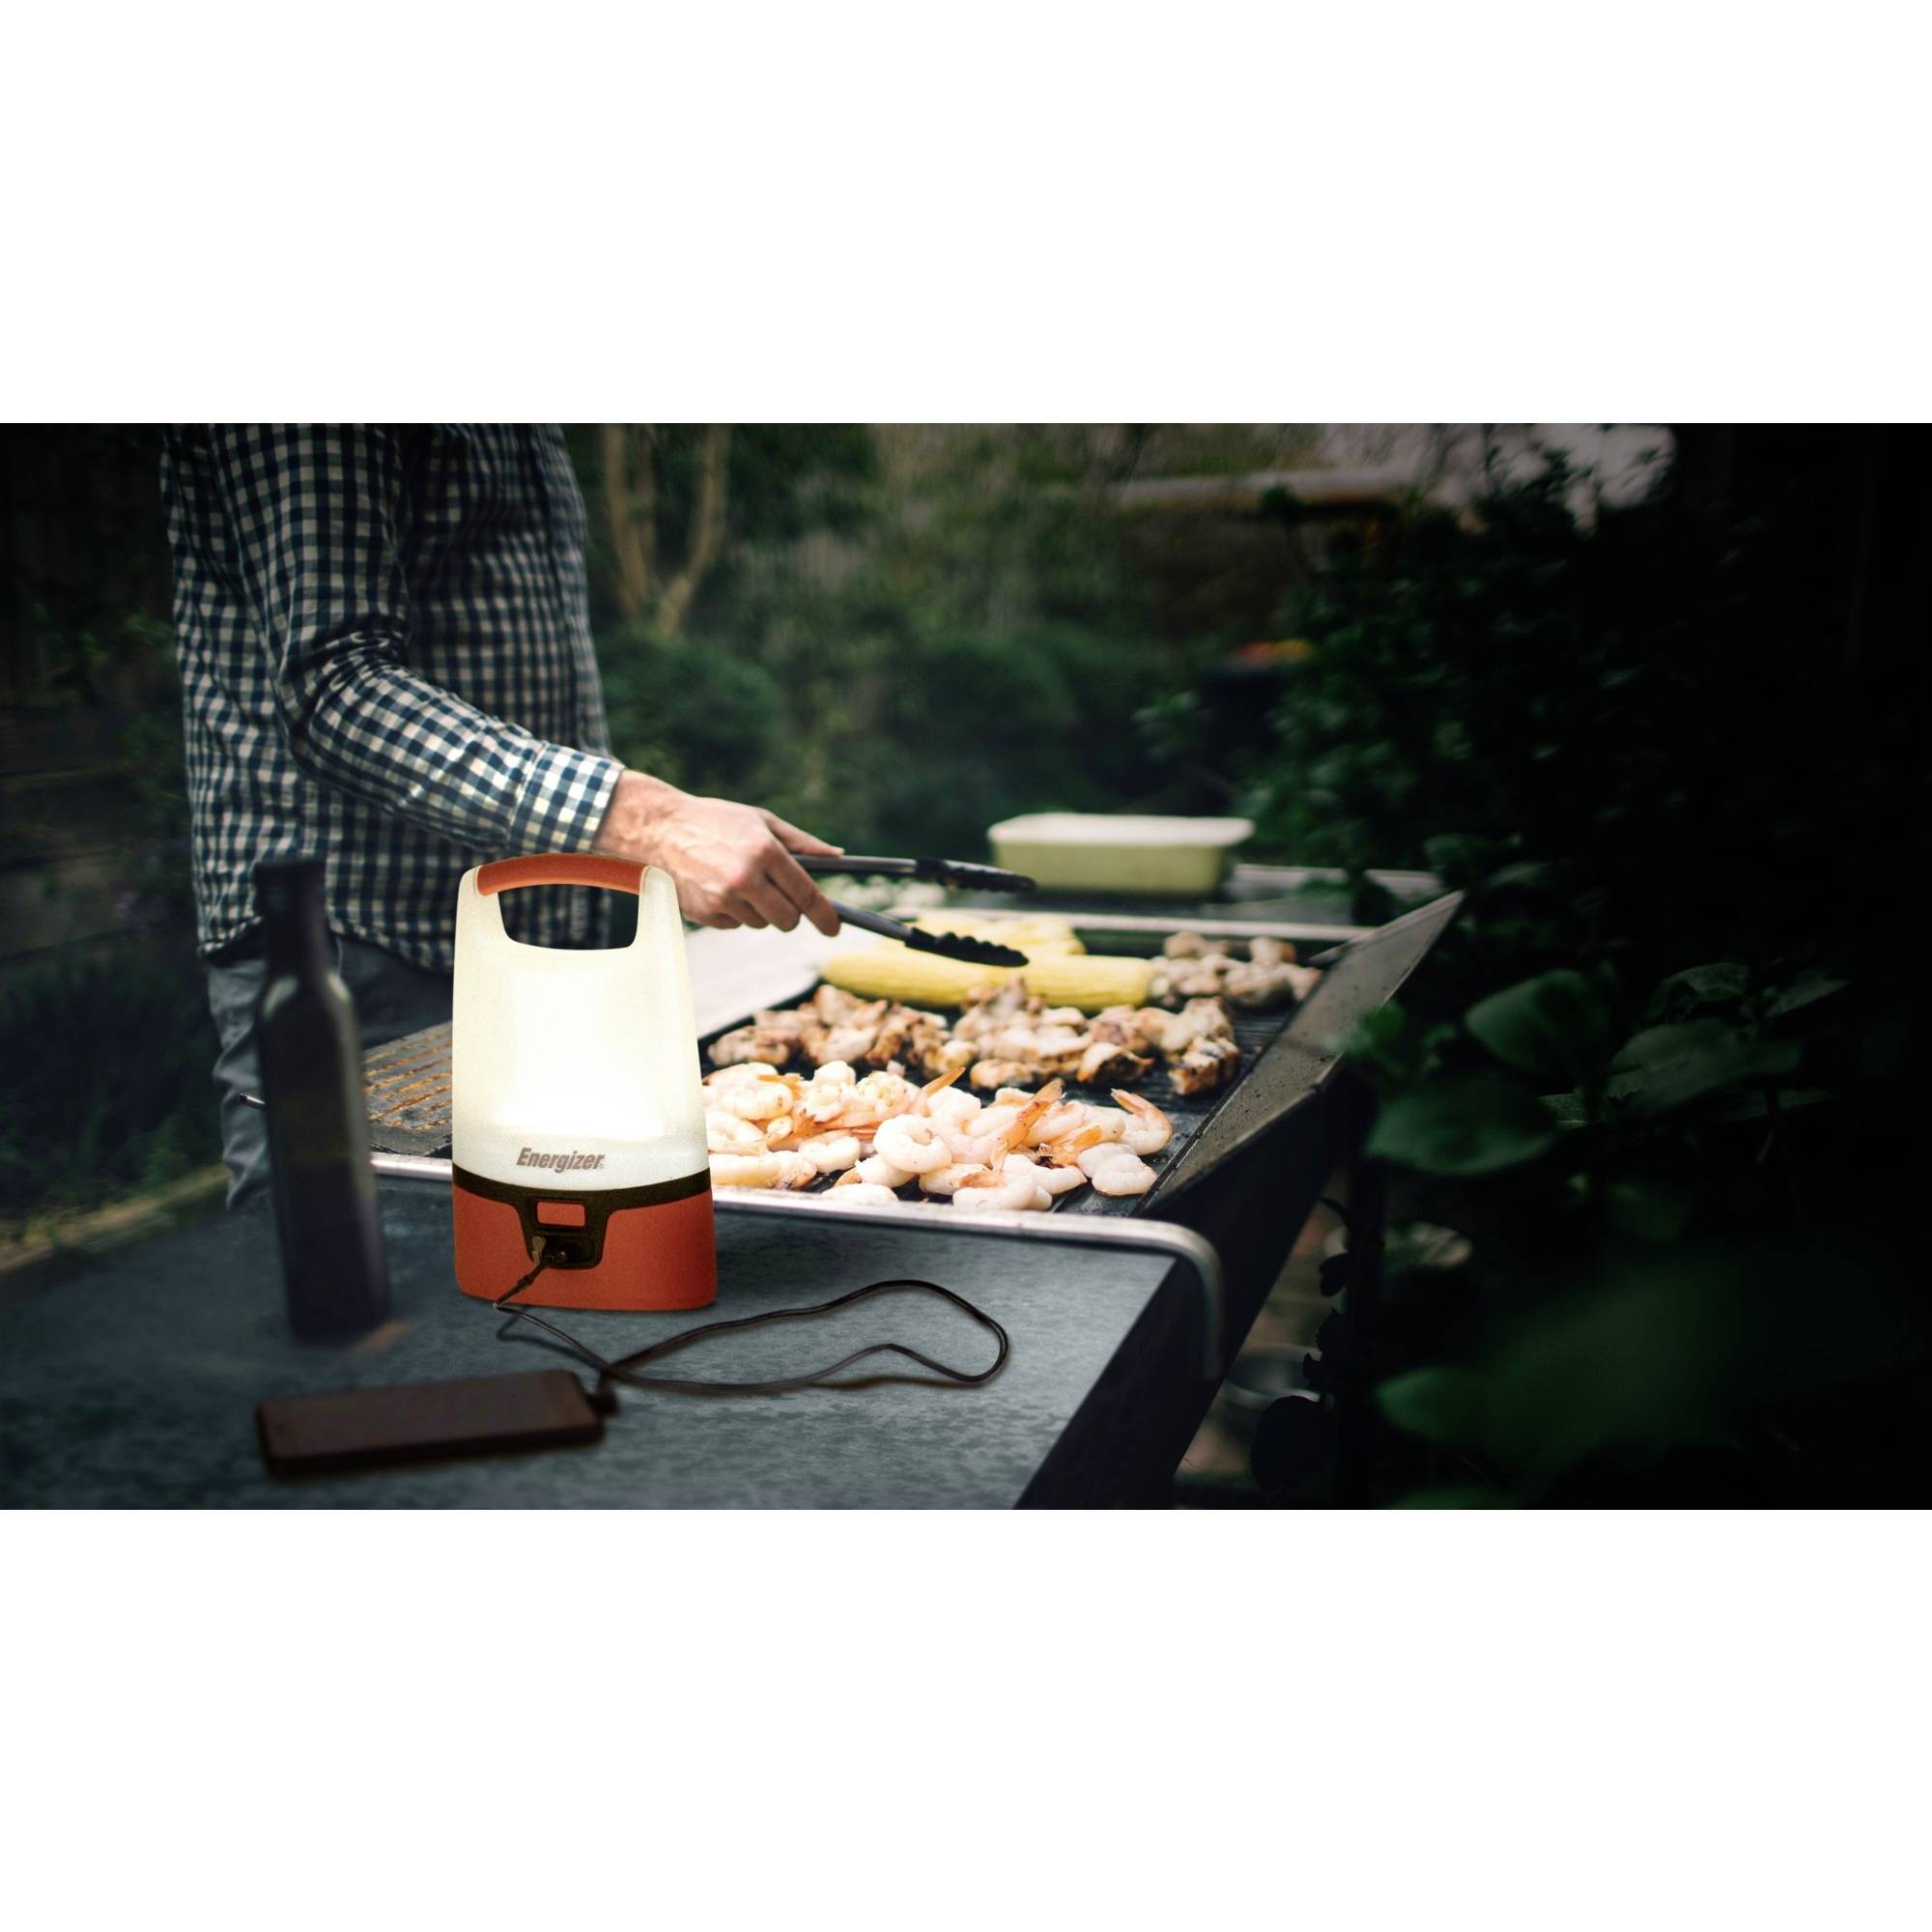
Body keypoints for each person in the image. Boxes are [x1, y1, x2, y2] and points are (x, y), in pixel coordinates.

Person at [160, 424, 841, 1206]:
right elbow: (332, 688)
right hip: (360, 953)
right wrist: (651, 823)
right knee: (358, 1269)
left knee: (547, 1260)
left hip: (538, 952)